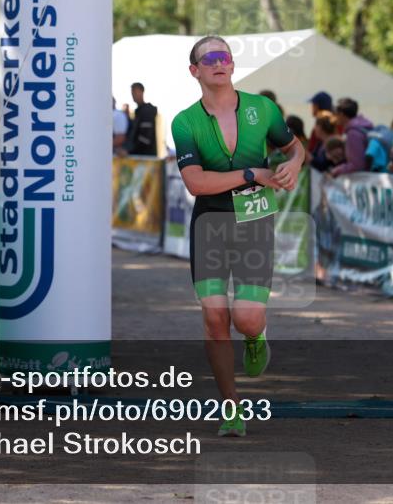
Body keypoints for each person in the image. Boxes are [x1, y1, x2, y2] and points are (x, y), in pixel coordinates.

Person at [171, 35, 305, 438]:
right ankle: (231, 407)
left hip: (254, 222)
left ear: (232, 65)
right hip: (209, 224)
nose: (219, 62)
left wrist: (294, 164)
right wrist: (252, 174)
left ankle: (256, 335)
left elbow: (296, 148)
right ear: (195, 70)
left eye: (224, 56)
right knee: (214, 318)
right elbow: (196, 183)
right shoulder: (185, 122)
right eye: (209, 57)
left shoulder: (262, 109)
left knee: (245, 318)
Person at [329, 98, 373, 177]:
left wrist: (336, 170)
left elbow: (356, 165)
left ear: (341, 114)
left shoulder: (353, 133)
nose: (335, 117)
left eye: (336, 114)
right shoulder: (361, 127)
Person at [127, 82, 158, 156]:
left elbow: (145, 139)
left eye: (135, 91)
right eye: (132, 92)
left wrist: (129, 152)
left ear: (142, 92)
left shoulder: (147, 111)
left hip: (146, 158)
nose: (133, 95)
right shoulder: (138, 111)